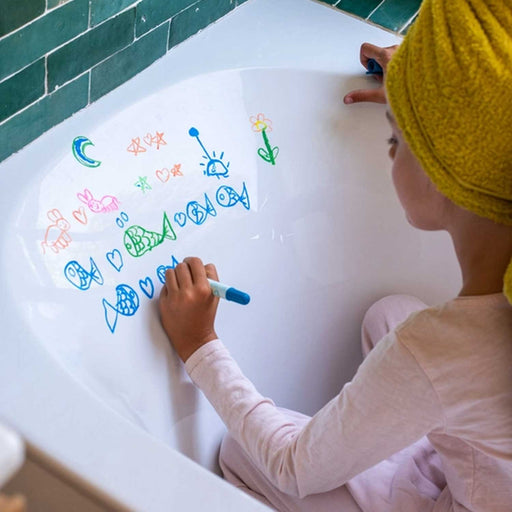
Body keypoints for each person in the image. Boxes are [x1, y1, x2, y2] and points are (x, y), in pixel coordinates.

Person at [158, 0, 512, 510]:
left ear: (445, 171)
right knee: (388, 313)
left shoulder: (445, 350)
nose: (389, 147)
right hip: (483, 477)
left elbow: (292, 466)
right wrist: (433, 95)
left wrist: (200, 345)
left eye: (397, 136)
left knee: (240, 452)